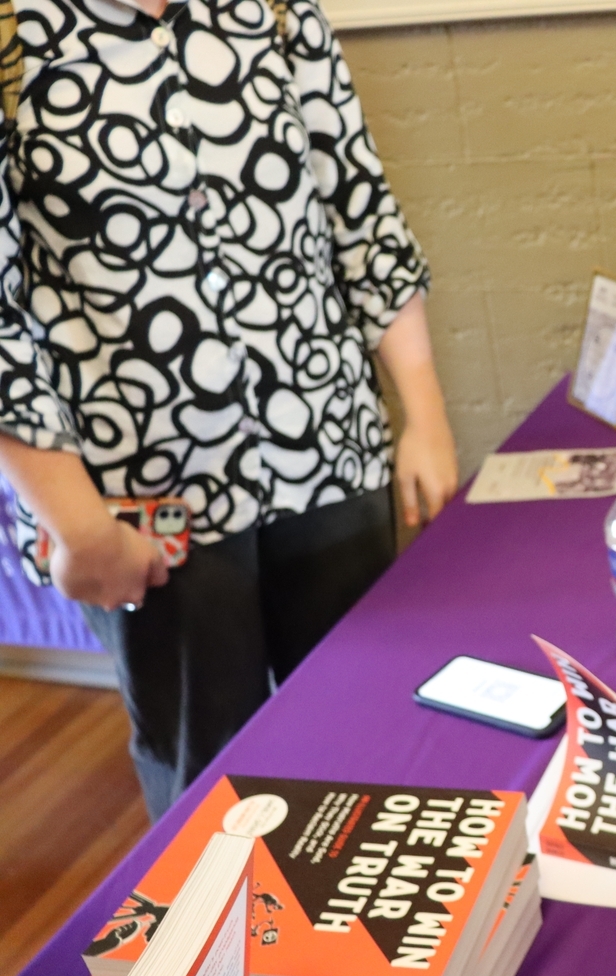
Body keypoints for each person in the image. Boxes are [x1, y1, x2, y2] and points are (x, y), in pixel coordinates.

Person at [0, 0, 458, 819]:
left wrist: (423, 414)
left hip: (328, 447)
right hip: (138, 497)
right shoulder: (13, 33)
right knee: (209, 777)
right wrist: (78, 529)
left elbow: (360, 210)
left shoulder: (276, 13)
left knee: (374, 732)